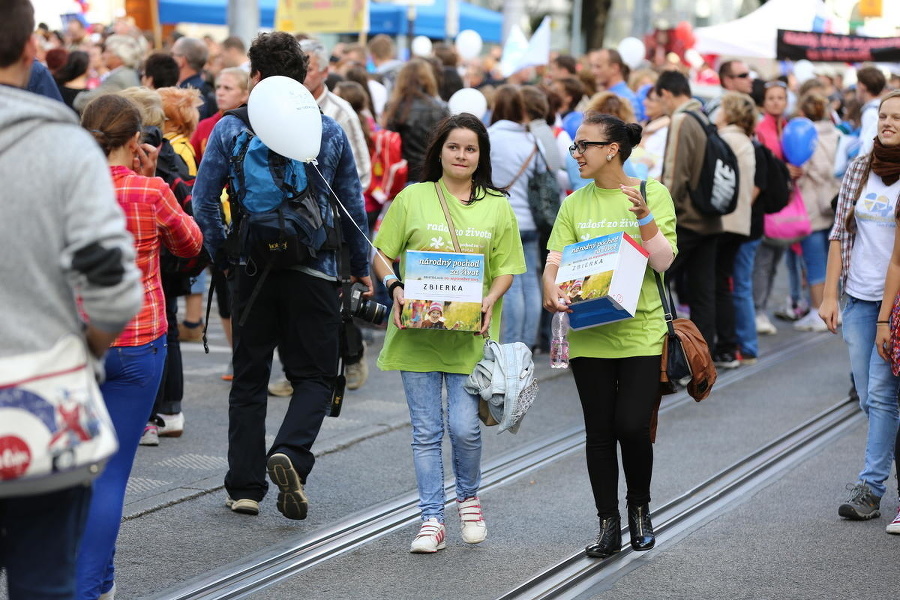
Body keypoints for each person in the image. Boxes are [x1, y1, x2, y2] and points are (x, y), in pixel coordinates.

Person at [192, 31, 371, 520]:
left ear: (254, 77)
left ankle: (245, 488)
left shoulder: (230, 130)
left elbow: (203, 200)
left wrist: (224, 254)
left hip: (251, 271)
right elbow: (350, 206)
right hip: (315, 270)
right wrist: (359, 268)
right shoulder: (327, 130)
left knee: (249, 378)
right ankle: (290, 452)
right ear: (303, 76)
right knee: (314, 375)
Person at [0, 3, 142, 597]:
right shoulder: (63, 146)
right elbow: (112, 287)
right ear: (33, 50)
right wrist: (85, 348)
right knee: (43, 578)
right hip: (37, 407)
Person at [372, 113, 526, 553]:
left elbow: (508, 268)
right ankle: (431, 519)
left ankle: (469, 498)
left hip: (468, 336)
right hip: (416, 335)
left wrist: (489, 300)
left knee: (463, 428)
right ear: (439, 150)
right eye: (454, 147)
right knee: (424, 431)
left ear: (481, 156)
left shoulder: (497, 204)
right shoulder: (413, 197)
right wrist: (394, 287)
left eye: (470, 149)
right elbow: (382, 253)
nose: (462, 155)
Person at [75, 93, 203, 600]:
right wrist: (156, 177)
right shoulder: (150, 191)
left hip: (74, 342)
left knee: (72, 471)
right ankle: (88, 588)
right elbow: (192, 245)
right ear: (135, 142)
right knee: (110, 475)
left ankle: (97, 582)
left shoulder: (64, 191)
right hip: (136, 339)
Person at [542, 112, 676, 559]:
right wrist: (549, 289)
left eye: (584, 145)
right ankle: (608, 524)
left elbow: (663, 263)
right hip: (588, 333)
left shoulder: (651, 192)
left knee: (632, 427)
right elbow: (554, 261)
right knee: (599, 432)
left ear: (611, 149)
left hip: (640, 329)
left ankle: (639, 508)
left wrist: (645, 218)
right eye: (575, 146)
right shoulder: (574, 203)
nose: (576, 153)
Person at [821, 90, 900, 528]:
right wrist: (830, 294)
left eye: (896, 118)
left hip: (897, 306)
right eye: (883, 116)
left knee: (884, 394)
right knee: (873, 400)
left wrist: (888, 316)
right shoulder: (860, 167)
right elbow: (838, 234)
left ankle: (870, 488)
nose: (887, 123)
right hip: (858, 298)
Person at [655, 70, 721, 348]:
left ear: (666, 94)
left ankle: (664, 353)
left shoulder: (682, 119)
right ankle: (703, 356)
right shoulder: (704, 116)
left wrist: (662, 212)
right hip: (709, 217)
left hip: (687, 219)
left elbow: (674, 173)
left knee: (656, 279)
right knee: (702, 292)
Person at [487, 85, 545, 350]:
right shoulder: (532, 140)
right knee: (530, 281)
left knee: (507, 281)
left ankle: (510, 343)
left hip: (500, 218)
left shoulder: (489, 137)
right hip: (530, 220)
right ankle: (526, 344)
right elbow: (544, 174)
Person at [712, 92, 757, 368]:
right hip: (739, 222)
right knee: (724, 282)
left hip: (722, 221)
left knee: (716, 284)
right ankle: (730, 344)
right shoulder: (746, 140)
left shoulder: (726, 138)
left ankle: (725, 345)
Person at [791, 92, 840, 333]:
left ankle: (817, 312)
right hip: (834, 203)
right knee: (833, 258)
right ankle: (834, 307)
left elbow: (803, 168)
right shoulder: (837, 133)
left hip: (810, 206)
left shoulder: (806, 135)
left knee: (814, 262)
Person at [382, 58, 450, 183]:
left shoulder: (394, 108)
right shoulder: (440, 107)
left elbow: (389, 144)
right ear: (429, 79)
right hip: (433, 174)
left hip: (403, 174)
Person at [73, 35, 141, 113]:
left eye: (108, 52)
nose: (103, 55)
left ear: (119, 57)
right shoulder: (128, 72)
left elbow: (82, 102)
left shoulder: (118, 78)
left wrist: (79, 95)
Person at [588, 48, 642, 121]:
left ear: (614, 68)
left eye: (598, 66)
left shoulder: (626, 99)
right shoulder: (613, 94)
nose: (593, 71)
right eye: (593, 66)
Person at [172, 36, 217, 120]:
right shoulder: (206, 88)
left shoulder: (186, 95)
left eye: (173, 54)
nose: (171, 59)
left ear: (181, 60)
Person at [856, 66, 887, 157]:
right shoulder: (881, 107)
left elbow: (866, 148)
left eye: (857, 85)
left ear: (862, 86)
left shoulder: (870, 113)